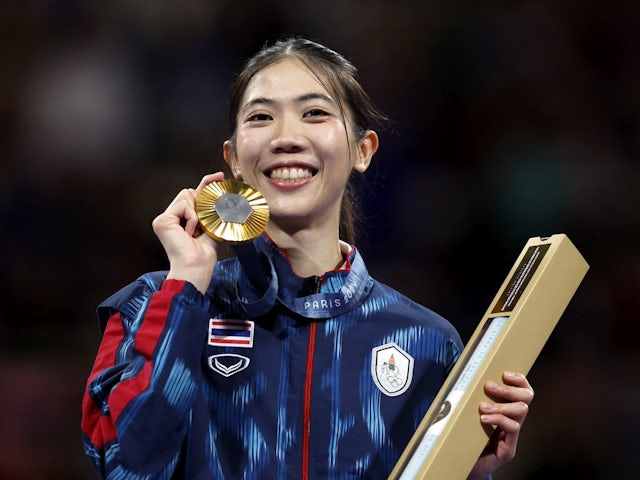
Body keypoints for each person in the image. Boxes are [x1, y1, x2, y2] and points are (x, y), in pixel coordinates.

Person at [81, 37, 534, 480]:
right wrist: (186, 287)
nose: (286, 137)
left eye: (314, 113)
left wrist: (465, 471)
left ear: (363, 150)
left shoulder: (427, 342)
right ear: (234, 158)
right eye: (261, 117)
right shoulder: (151, 305)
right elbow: (126, 466)